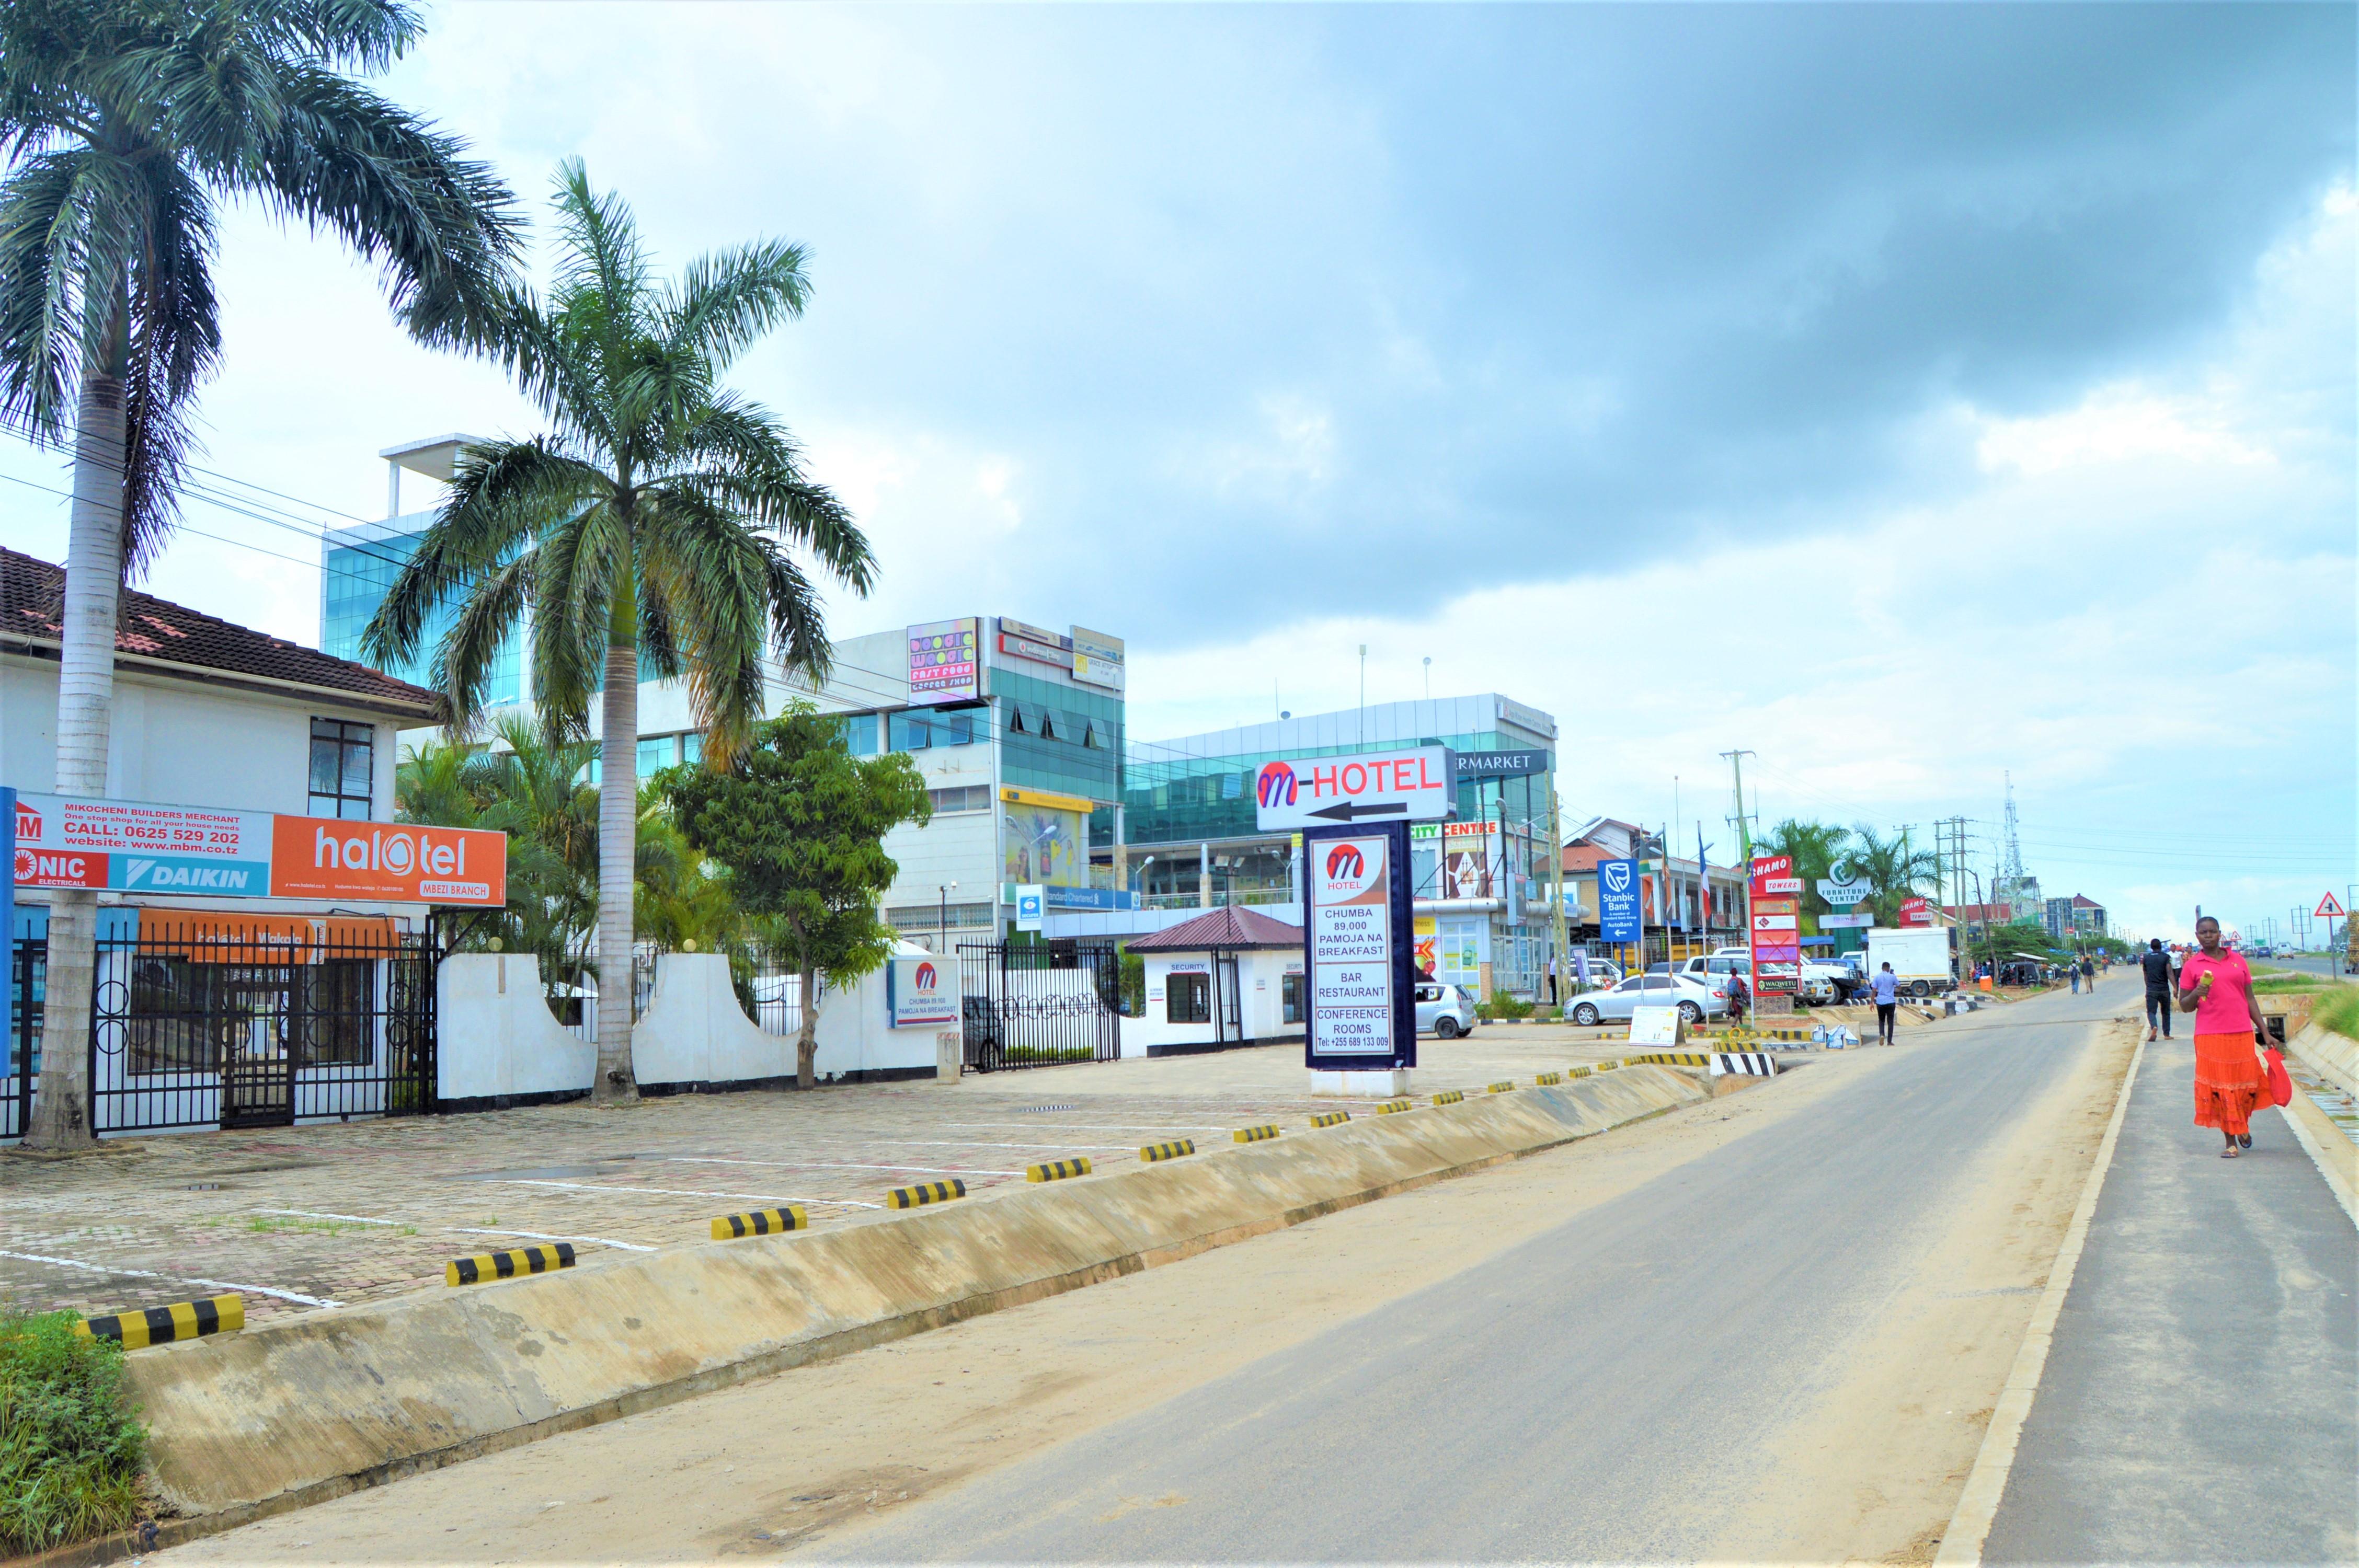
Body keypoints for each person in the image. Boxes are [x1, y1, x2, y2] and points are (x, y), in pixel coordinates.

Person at [2178, 915, 2271, 1157]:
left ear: (2220, 934)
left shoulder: (2238, 961)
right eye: (2203, 932)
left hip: (2241, 1033)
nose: (2208, 936)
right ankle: (2230, 1142)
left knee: (2244, 1087)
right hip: (2210, 1035)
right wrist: (2197, 993)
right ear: (2196, 936)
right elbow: (2185, 1006)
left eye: (2212, 932)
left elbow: (2249, 999)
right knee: (2221, 1089)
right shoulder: (2192, 966)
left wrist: (2265, 1031)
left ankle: (2241, 1125)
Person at [2139, 937, 2175, 1042]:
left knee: (2151, 1012)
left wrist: (2148, 986)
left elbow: (2145, 975)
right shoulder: (2166, 957)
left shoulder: (2146, 958)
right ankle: (2167, 1034)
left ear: (2151, 947)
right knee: (2166, 1012)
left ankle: (2154, 1026)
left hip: (2152, 990)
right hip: (2164, 989)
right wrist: (2175, 987)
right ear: (2160, 946)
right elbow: (2169, 973)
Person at [1871, 961, 1899, 1045]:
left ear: (1882, 968)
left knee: (1881, 1020)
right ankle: (1889, 1041)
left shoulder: (1877, 977)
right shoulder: (1892, 977)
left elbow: (1874, 991)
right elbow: (1899, 987)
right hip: (1891, 1002)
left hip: (1880, 1002)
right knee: (1890, 1021)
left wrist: (1872, 1002)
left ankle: (1882, 1035)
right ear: (1889, 968)